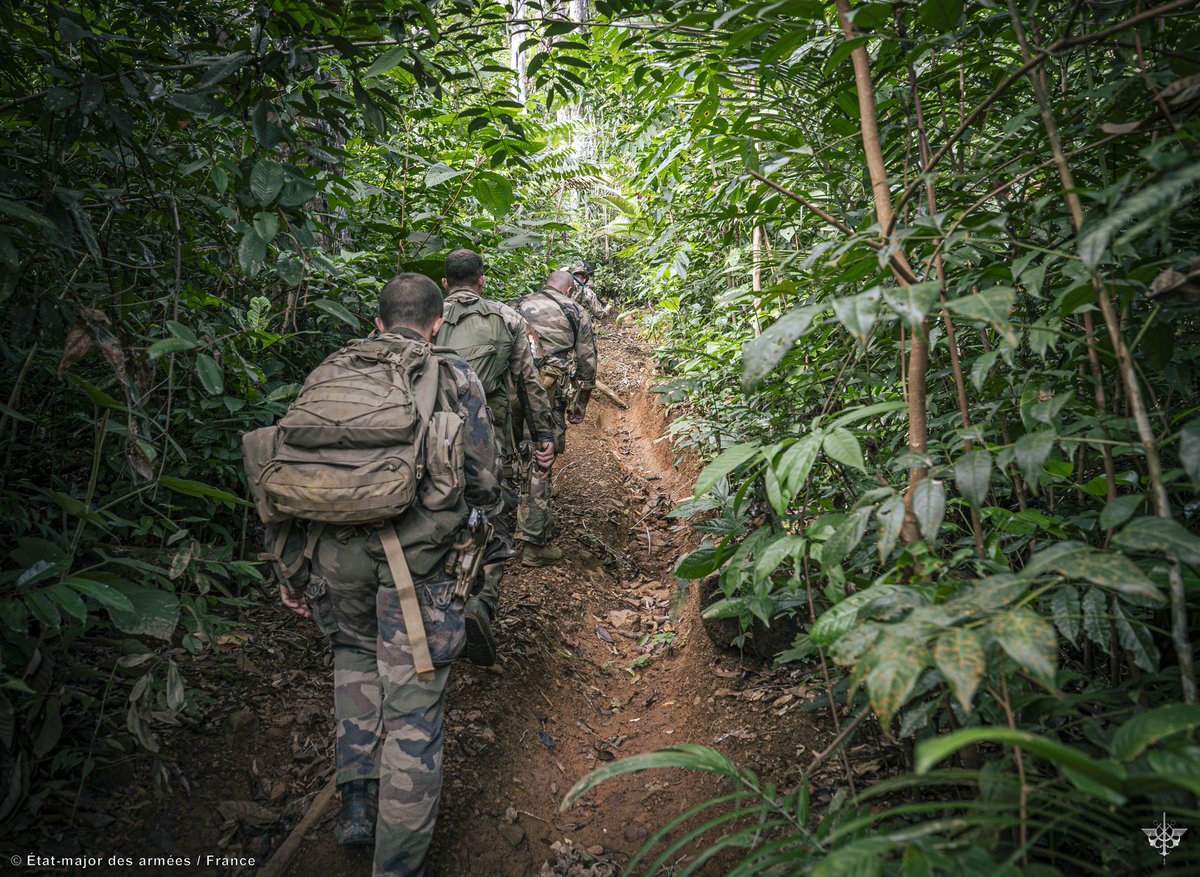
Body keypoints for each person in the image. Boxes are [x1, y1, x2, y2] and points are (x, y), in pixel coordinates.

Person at [277, 273, 502, 876]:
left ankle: (357, 801)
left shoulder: (331, 370)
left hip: (332, 561)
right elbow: (484, 481)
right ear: (437, 324)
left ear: (377, 323)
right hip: (416, 573)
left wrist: (291, 566)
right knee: (413, 716)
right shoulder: (454, 376)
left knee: (352, 659)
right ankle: (398, 866)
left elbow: (291, 467)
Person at [435, 248, 556, 662]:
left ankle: (435, 609)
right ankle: (480, 603)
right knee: (491, 517)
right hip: (488, 440)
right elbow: (529, 383)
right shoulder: (507, 319)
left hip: (429, 441)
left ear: (446, 283)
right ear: (482, 281)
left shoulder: (425, 320)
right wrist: (544, 434)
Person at [509, 270, 597, 565]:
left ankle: (508, 523)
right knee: (541, 454)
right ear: (570, 290)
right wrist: (581, 402)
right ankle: (533, 540)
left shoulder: (517, 304)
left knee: (512, 451)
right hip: (546, 392)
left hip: (508, 390)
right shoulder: (575, 311)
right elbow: (587, 363)